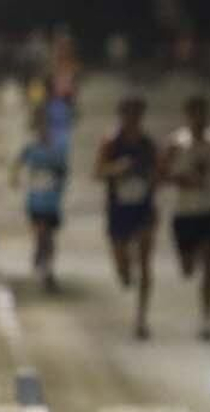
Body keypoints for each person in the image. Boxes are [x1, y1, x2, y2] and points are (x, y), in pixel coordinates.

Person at [162, 95, 210, 340]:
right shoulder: (176, 142)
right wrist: (181, 179)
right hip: (184, 214)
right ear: (187, 116)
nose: (198, 119)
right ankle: (187, 261)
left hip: (209, 211)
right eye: (194, 114)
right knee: (188, 268)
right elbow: (161, 174)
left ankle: (207, 317)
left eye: (202, 114)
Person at [95, 96, 158, 338]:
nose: (132, 120)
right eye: (128, 115)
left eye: (137, 116)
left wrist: (152, 177)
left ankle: (141, 319)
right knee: (123, 268)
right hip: (118, 209)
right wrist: (117, 168)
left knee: (145, 264)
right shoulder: (111, 142)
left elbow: (159, 172)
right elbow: (98, 171)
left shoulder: (148, 144)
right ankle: (124, 271)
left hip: (143, 208)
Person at [12, 109, 66, 292]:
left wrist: (59, 186)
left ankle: (48, 267)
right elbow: (18, 162)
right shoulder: (31, 148)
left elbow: (63, 171)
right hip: (35, 199)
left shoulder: (58, 149)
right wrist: (14, 178)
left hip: (51, 200)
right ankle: (40, 258)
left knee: (49, 235)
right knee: (40, 232)